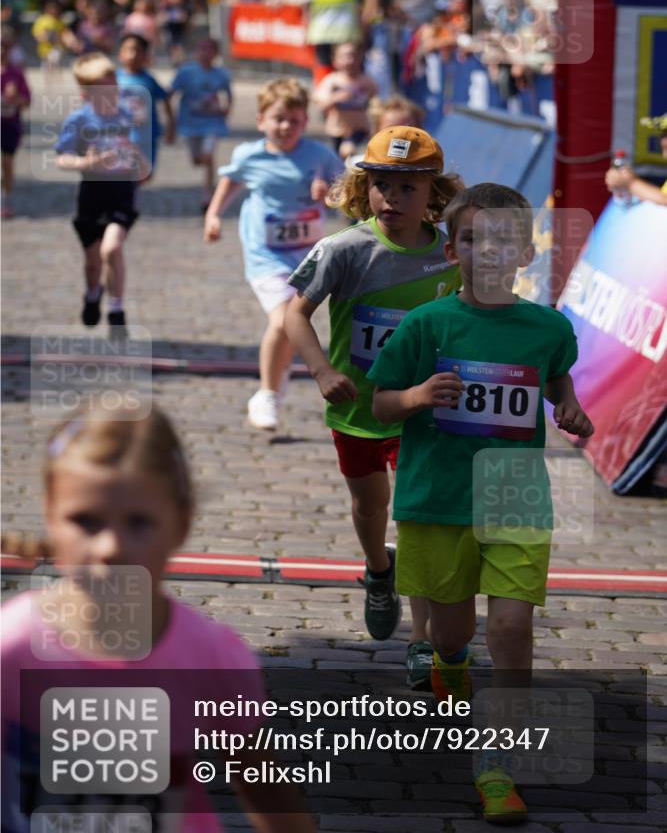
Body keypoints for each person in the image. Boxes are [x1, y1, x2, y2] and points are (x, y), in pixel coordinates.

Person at [368, 183, 593, 822]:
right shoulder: (426, 325)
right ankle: (450, 660)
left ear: (526, 252)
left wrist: (569, 406)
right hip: (439, 499)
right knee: (452, 629)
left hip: (515, 496)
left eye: (502, 239)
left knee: (513, 628)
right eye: (472, 238)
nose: (487, 250)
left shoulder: (548, 326)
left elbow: (555, 376)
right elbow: (381, 403)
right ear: (451, 250)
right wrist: (416, 397)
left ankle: (497, 765)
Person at [0, 401, 315, 833]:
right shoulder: (12, 647)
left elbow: (266, 790)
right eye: (86, 521)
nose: (110, 548)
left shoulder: (209, 657)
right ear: (50, 515)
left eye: (139, 523)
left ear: (180, 524)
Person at [284, 126, 462, 687]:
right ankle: (378, 571)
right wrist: (322, 370)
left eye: (409, 187)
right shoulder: (342, 249)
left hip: (423, 413)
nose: (393, 198)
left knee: (417, 518)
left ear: (432, 191)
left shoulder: (450, 253)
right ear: (365, 188)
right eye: (382, 185)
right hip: (357, 409)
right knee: (370, 506)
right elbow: (294, 315)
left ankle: (421, 638)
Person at [204, 78, 341, 432]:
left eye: (295, 121)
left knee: (292, 325)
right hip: (265, 253)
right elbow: (232, 179)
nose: (286, 127)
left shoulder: (319, 156)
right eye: (279, 119)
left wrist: (327, 195)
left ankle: (275, 383)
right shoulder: (250, 155)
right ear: (261, 119)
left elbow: (345, 194)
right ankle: (267, 393)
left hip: (307, 256)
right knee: (283, 321)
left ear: (305, 121)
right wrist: (214, 214)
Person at [55, 52, 150, 335]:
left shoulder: (126, 115)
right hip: (91, 195)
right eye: (104, 91)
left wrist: (139, 161)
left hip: (122, 192)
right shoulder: (79, 119)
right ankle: (92, 293)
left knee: (112, 248)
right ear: (86, 94)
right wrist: (87, 163)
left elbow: (136, 154)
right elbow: (62, 157)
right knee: (93, 263)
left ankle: (116, 310)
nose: (112, 95)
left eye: (114, 88)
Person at [170, 37, 233, 210]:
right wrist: (170, 117)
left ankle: (208, 193)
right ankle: (207, 185)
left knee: (208, 155)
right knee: (197, 159)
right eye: (202, 49)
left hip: (212, 123)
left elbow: (228, 95)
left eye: (209, 49)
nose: (205, 53)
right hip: (191, 123)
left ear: (216, 53)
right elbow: (173, 91)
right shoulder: (186, 72)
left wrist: (226, 110)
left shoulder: (221, 74)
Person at [117, 32, 175, 178]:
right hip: (122, 137)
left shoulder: (149, 80)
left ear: (145, 55)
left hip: (147, 136)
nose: (132, 54)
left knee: (145, 175)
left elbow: (165, 99)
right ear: (120, 53)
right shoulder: (113, 79)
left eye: (137, 50)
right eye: (128, 49)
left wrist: (171, 126)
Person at [313, 42, 377, 159]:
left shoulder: (366, 81)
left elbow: (376, 100)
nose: (349, 61)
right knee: (338, 159)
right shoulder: (332, 81)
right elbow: (320, 102)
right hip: (337, 130)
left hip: (360, 129)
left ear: (360, 59)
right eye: (344, 57)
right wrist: (336, 98)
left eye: (353, 56)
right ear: (335, 60)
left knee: (348, 151)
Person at [1, 31, 31, 219]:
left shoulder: (16, 73)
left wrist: (16, 98)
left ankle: (5, 199)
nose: (1, 50)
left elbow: (27, 102)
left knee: (7, 163)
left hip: (9, 126)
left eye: (4, 46)